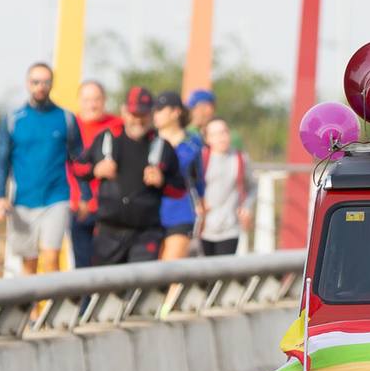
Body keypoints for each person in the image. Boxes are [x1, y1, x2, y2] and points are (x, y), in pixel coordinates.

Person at [0, 63, 76, 277]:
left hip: (56, 198)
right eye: (36, 82)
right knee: (29, 263)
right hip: (23, 201)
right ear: (28, 84)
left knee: (51, 259)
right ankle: (32, 311)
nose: (41, 87)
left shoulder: (65, 118)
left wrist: (82, 194)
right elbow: (0, 160)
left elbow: (78, 160)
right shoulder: (13, 119)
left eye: (45, 82)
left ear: (52, 84)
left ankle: (53, 309)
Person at [80, 86, 181, 266]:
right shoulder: (107, 139)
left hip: (145, 233)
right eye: (134, 114)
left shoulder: (162, 147)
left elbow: (179, 188)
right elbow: (77, 168)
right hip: (108, 232)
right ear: (124, 112)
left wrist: (162, 181)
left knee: (140, 287)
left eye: (143, 115)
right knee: (105, 286)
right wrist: (96, 171)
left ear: (151, 114)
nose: (138, 121)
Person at [65, 80, 119, 269]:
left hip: (112, 207)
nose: (92, 104)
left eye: (96, 99)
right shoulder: (70, 126)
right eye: (87, 100)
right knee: (83, 263)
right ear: (79, 101)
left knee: (109, 263)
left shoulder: (118, 126)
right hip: (80, 206)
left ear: (104, 100)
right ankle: (85, 300)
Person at [189, 117, 255, 255]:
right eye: (215, 134)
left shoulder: (240, 158)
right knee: (204, 274)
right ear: (207, 139)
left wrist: (247, 207)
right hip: (204, 229)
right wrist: (196, 203)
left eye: (224, 132)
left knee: (224, 273)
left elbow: (253, 186)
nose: (221, 137)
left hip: (230, 228)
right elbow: (189, 186)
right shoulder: (200, 159)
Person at [155, 95, 199, 258]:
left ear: (175, 112)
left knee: (170, 272)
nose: (155, 114)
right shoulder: (150, 141)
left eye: (160, 110)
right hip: (149, 213)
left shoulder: (192, 144)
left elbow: (199, 180)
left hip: (178, 213)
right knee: (148, 276)